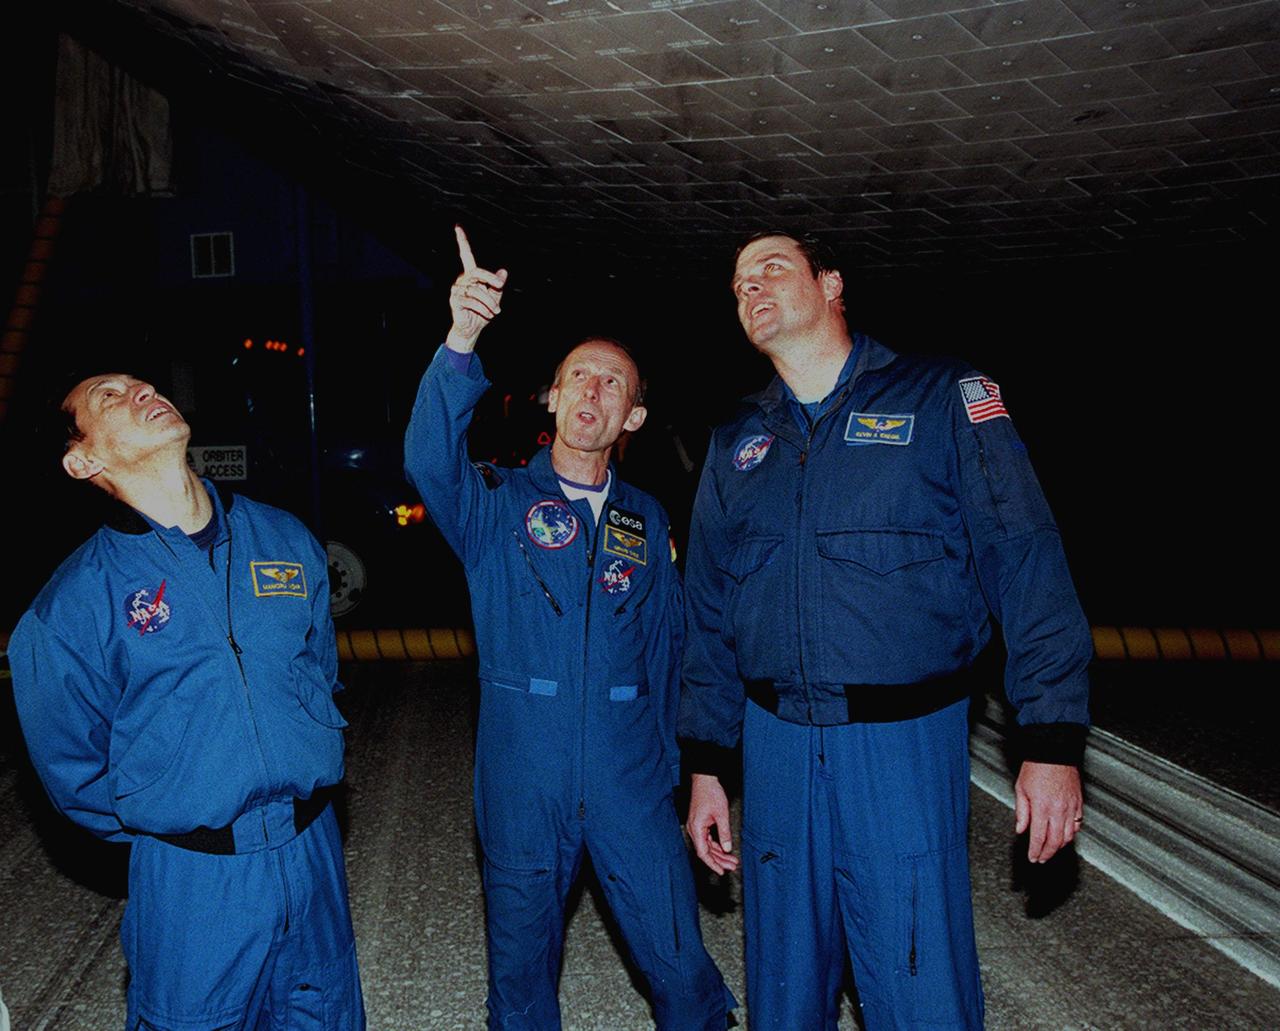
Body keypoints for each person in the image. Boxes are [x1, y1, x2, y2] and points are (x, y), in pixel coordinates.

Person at [679, 231, 1092, 1030]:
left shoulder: (942, 396)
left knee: (915, 975)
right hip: (774, 746)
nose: (751, 288)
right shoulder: (738, 442)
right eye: (737, 283)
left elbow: (1026, 558)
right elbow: (707, 612)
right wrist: (704, 762)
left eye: (772, 268)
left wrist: (1051, 742)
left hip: (900, 745)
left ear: (832, 284)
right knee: (784, 987)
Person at [405, 227, 734, 1030]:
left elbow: (676, 653)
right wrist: (462, 337)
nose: (592, 390)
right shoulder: (494, 504)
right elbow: (426, 459)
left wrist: (701, 774)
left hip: (630, 776)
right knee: (521, 980)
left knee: (683, 965)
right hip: (525, 775)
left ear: (636, 413)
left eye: (612, 382)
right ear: (551, 398)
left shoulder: (649, 520)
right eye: (577, 376)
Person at [8, 372, 364, 1030]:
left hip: (311, 852)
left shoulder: (284, 539)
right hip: (194, 883)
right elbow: (72, 769)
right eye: (109, 396)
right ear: (83, 459)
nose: (140, 390)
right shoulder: (70, 608)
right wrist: (178, 821)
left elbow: (318, 674)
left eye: (142, 382)